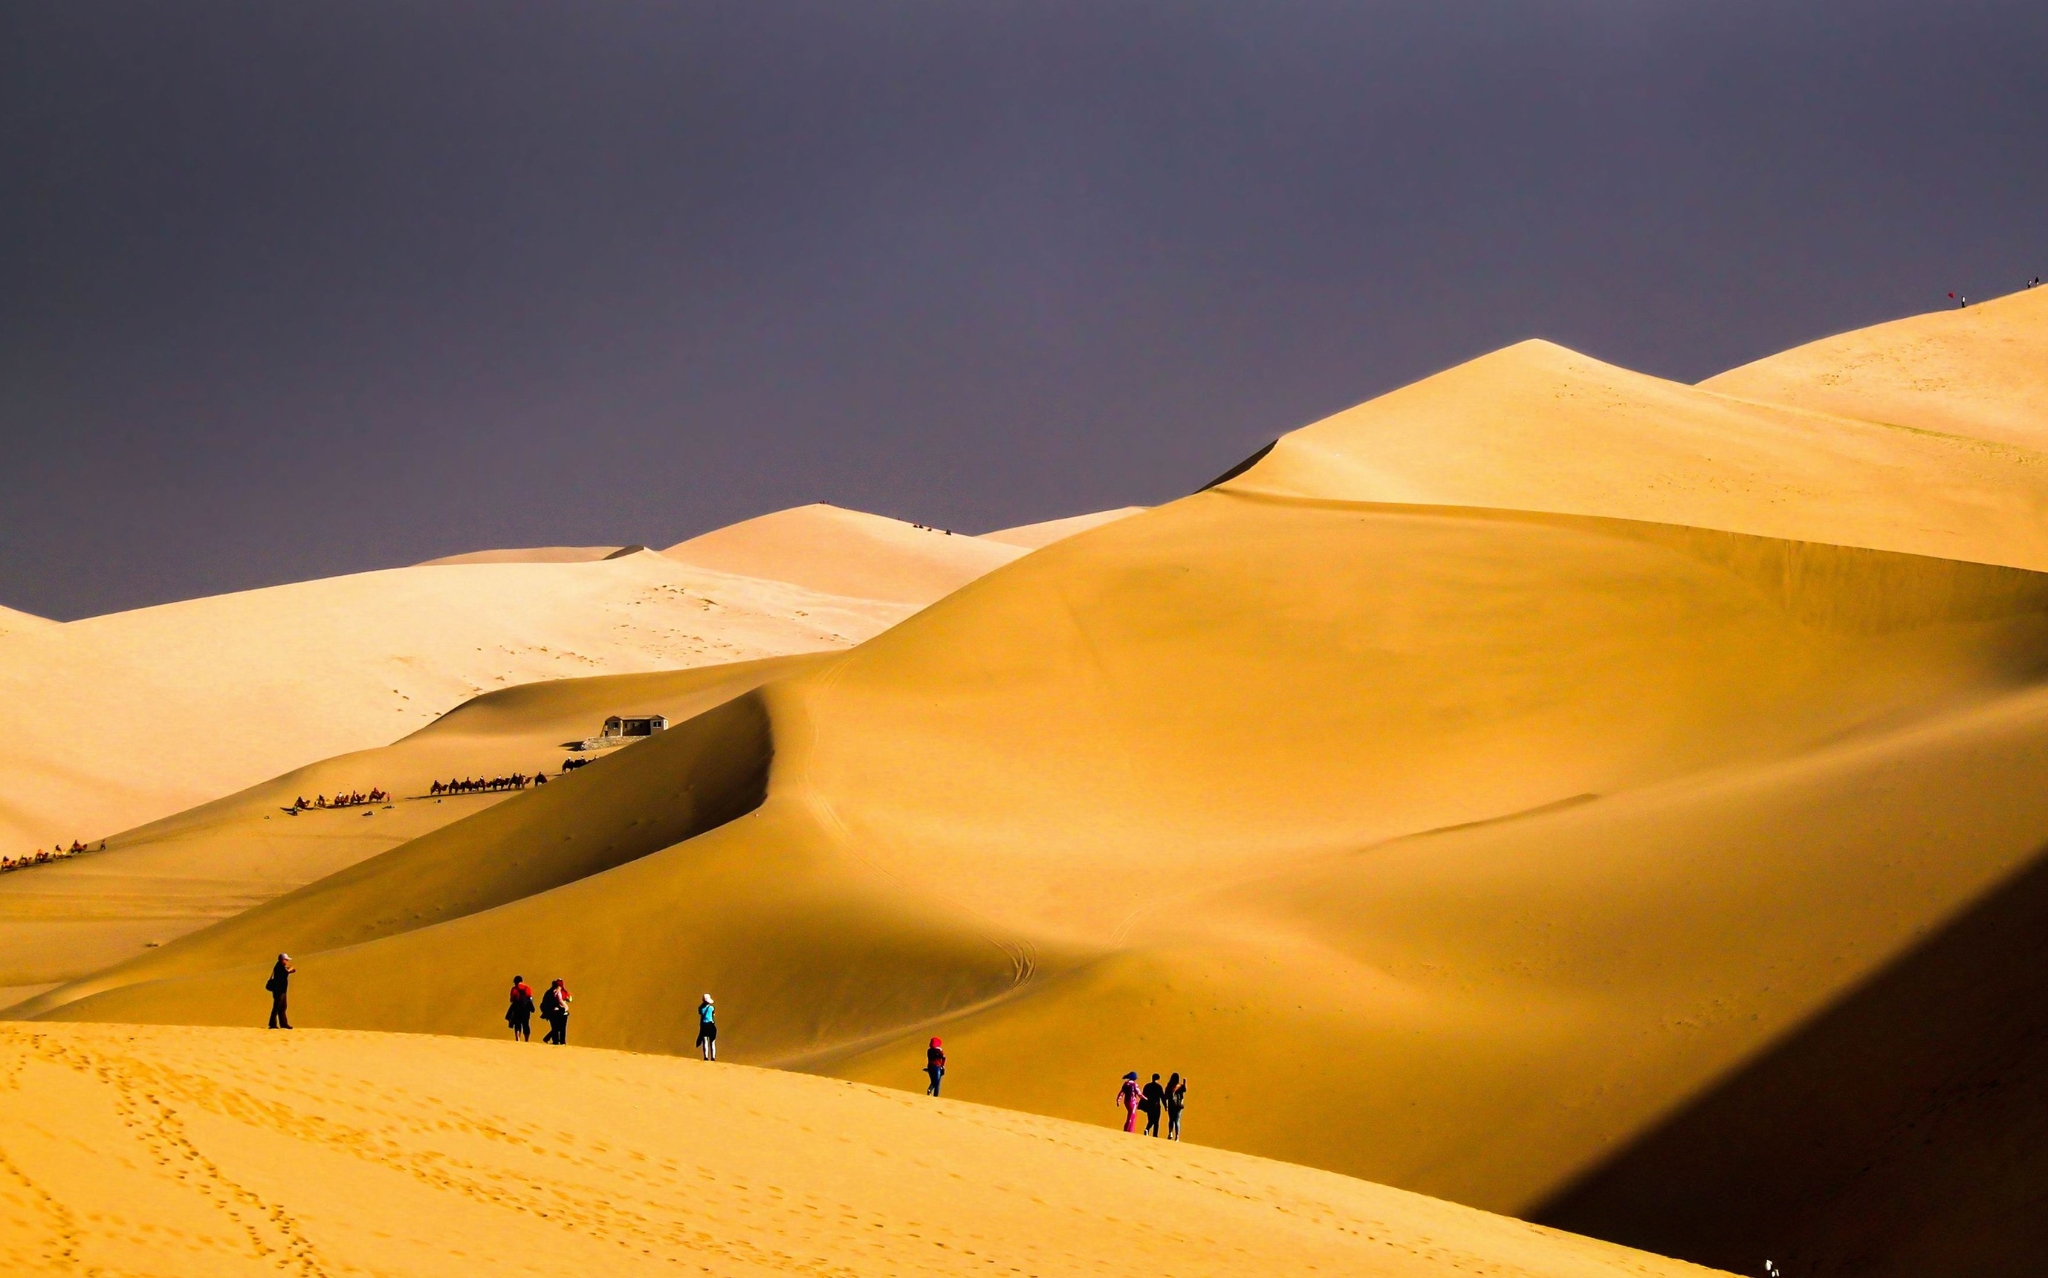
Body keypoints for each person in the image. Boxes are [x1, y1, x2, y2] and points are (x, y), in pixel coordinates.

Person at [266, 953, 295, 1029]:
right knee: (276, 1007)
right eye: (286, 960)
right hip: (279, 990)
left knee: (282, 1007)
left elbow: (284, 974)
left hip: (282, 990)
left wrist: (289, 970)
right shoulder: (279, 967)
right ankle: (272, 1024)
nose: (287, 961)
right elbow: (283, 974)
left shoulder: (281, 966)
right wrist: (289, 970)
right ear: (282, 960)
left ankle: (283, 1024)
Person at [540, 978, 572, 1045]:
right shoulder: (559, 992)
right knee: (560, 1028)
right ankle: (560, 1042)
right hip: (560, 1012)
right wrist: (566, 1007)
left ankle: (555, 1041)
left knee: (556, 1027)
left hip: (554, 1012)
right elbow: (564, 1000)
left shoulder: (549, 992)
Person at [506, 974, 535, 1042]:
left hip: (517, 1008)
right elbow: (530, 997)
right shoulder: (527, 988)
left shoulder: (514, 989)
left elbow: (512, 999)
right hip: (526, 1008)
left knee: (517, 1024)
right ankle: (526, 1040)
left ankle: (518, 1039)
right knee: (526, 1023)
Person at [1164, 1073, 1187, 1141]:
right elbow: (1185, 1090)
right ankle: (1177, 1137)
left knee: (1171, 1120)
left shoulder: (1169, 1086)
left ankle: (1170, 1133)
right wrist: (1184, 1083)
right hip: (1178, 1106)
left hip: (1171, 1105)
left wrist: (1166, 1105)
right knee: (1177, 1121)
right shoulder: (1180, 1086)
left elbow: (1166, 1096)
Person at [696, 994, 718, 1060]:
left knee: (705, 1041)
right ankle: (713, 1057)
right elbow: (713, 1015)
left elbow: (700, 1013)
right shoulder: (712, 1008)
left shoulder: (700, 1008)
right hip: (711, 1025)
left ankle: (705, 1057)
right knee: (712, 1042)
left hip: (704, 1026)